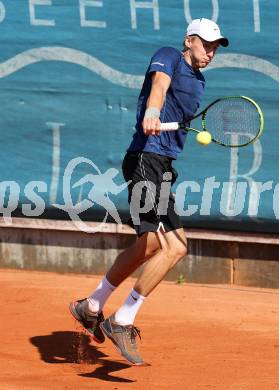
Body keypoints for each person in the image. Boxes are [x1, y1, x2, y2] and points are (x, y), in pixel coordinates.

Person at [69, 18, 229, 366]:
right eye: (206, 43)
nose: (211, 51)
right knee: (176, 247)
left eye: (216, 46)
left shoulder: (199, 82)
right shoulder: (169, 55)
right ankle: (122, 319)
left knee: (155, 244)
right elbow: (159, 86)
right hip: (145, 158)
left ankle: (92, 305)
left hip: (162, 166)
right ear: (189, 40)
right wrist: (152, 112)